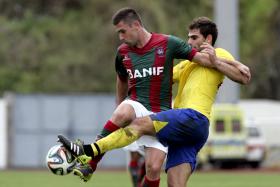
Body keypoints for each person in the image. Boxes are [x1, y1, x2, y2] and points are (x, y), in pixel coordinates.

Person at [58, 10, 250, 186]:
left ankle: (89, 151)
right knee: (174, 183)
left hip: (194, 117)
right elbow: (159, 77)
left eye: (194, 37)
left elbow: (243, 76)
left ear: (208, 39)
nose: (189, 42)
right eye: (188, 37)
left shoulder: (220, 54)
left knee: (140, 125)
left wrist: (217, 60)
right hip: (185, 131)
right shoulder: (185, 65)